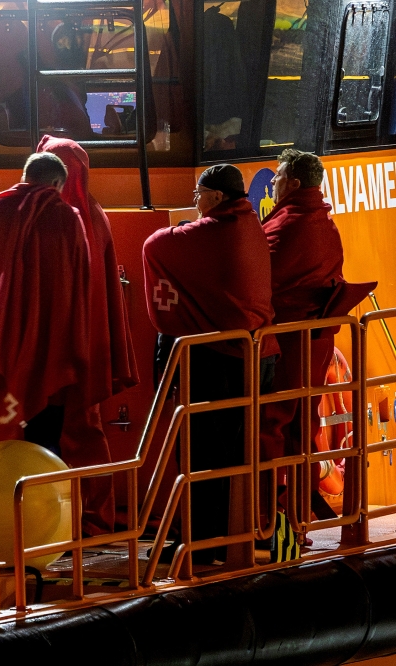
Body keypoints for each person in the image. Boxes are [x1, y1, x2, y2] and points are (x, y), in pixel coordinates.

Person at [143, 164, 277, 564]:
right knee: (237, 452)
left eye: (198, 193)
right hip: (257, 355)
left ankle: (202, 540)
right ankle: (231, 535)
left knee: (201, 451)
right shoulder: (250, 224)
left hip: (220, 361)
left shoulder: (213, 230)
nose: (194, 202)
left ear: (217, 196)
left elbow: (154, 245)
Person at [260, 149, 374, 519]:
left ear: (292, 183)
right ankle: (299, 504)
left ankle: (269, 510)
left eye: (277, 178)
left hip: (287, 341)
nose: (273, 184)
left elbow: (262, 282)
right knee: (301, 421)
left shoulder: (287, 224)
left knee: (272, 420)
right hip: (316, 338)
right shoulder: (324, 222)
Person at [0, 152, 91, 461]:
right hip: (46, 353)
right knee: (42, 449)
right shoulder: (66, 217)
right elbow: (80, 282)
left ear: (25, 175)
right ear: (57, 184)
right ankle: (36, 507)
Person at [38, 136, 138, 536]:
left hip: (63, 350)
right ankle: (90, 519)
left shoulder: (63, 217)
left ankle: (85, 521)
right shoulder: (92, 213)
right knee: (83, 433)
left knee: (74, 434)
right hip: (83, 347)